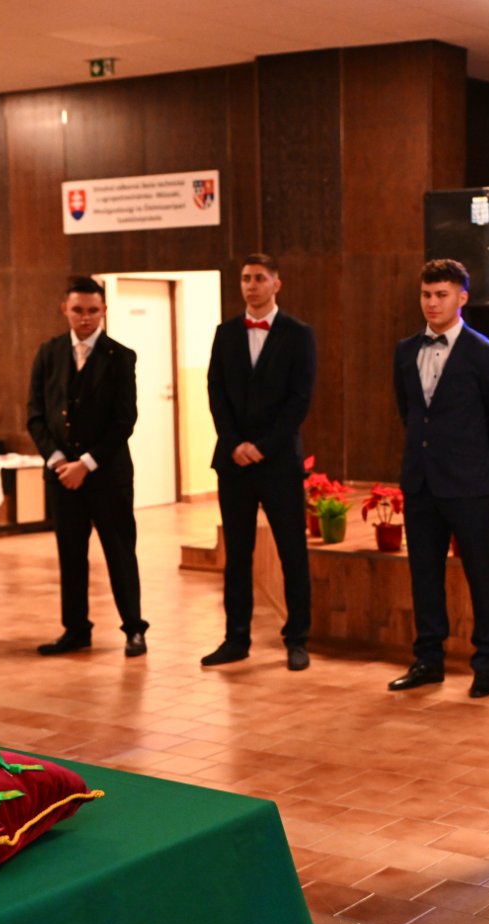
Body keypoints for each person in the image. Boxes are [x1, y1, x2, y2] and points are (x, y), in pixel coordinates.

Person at [388, 259, 489, 698]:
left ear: (462, 297)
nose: (432, 302)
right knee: (424, 575)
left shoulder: (485, 351)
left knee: (481, 575)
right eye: (426, 294)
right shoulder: (405, 350)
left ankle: (486, 664)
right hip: (420, 482)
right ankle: (428, 660)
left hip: (469, 484)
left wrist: (473, 460)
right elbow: (408, 412)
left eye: (441, 294)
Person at [202, 254, 316, 671]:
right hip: (234, 462)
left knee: (292, 552)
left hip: (278, 461)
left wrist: (263, 446)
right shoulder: (225, 332)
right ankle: (236, 639)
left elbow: (300, 399)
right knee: (237, 555)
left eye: (260, 278)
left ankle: (297, 639)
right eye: (246, 278)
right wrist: (234, 444)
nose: (251, 285)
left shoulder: (298, 334)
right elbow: (215, 392)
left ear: (276, 284)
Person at [26, 277, 148, 657]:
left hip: (107, 474)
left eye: (93, 310)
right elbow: (35, 415)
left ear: (104, 311)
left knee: (120, 552)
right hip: (62, 475)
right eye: (78, 309)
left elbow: (124, 421)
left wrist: (87, 463)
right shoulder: (49, 352)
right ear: (65, 309)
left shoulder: (120, 356)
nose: (85, 317)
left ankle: (134, 629)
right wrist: (59, 460)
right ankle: (76, 629)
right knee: (71, 554)